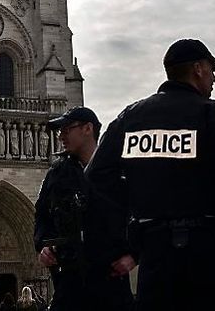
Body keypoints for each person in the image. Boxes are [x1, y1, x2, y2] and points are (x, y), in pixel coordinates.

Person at [87, 39, 215, 311]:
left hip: (154, 253)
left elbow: (97, 178)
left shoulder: (131, 118)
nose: (214, 77)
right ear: (198, 69)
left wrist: (134, 215)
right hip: (209, 253)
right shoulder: (213, 116)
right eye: (212, 69)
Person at [35, 106, 134, 311]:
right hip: (69, 280)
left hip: (110, 278)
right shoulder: (57, 173)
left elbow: (140, 212)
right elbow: (42, 216)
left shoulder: (119, 170)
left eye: (66, 129)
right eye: (59, 131)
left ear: (87, 129)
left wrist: (134, 255)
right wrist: (42, 246)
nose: (61, 136)